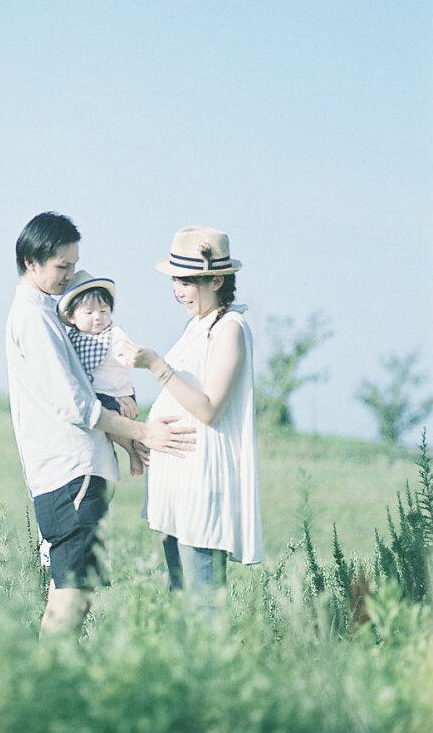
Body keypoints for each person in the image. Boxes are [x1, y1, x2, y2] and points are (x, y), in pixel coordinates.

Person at [5, 211, 195, 636]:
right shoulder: (34, 319)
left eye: (73, 265)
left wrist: (124, 440)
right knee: (72, 595)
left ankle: (55, 687)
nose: (70, 276)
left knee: (73, 591)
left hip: (74, 474)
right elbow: (76, 405)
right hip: (70, 474)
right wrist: (144, 433)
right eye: (62, 267)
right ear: (31, 262)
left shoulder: (46, 315)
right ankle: (52, 691)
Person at [124, 225, 263, 603]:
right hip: (179, 477)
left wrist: (155, 364)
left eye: (187, 281)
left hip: (203, 481)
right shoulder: (197, 325)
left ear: (217, 279)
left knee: (203, 601)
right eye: (175, 280)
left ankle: (212, 663)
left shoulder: (230, 327)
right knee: (182, 596)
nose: (178, 290)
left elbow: (209, 408)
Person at [58, 270, 146, 477]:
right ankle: (132, 448)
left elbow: (123, 350)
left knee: (112, 424)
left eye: (104, 311)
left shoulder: (114, 334)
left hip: (115, 393)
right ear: (71, 317)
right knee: (107, 427)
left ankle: (132, 450)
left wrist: (129, 357)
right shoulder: (73, 339)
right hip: (94, 395)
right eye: (89, 313)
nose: (98, 318)